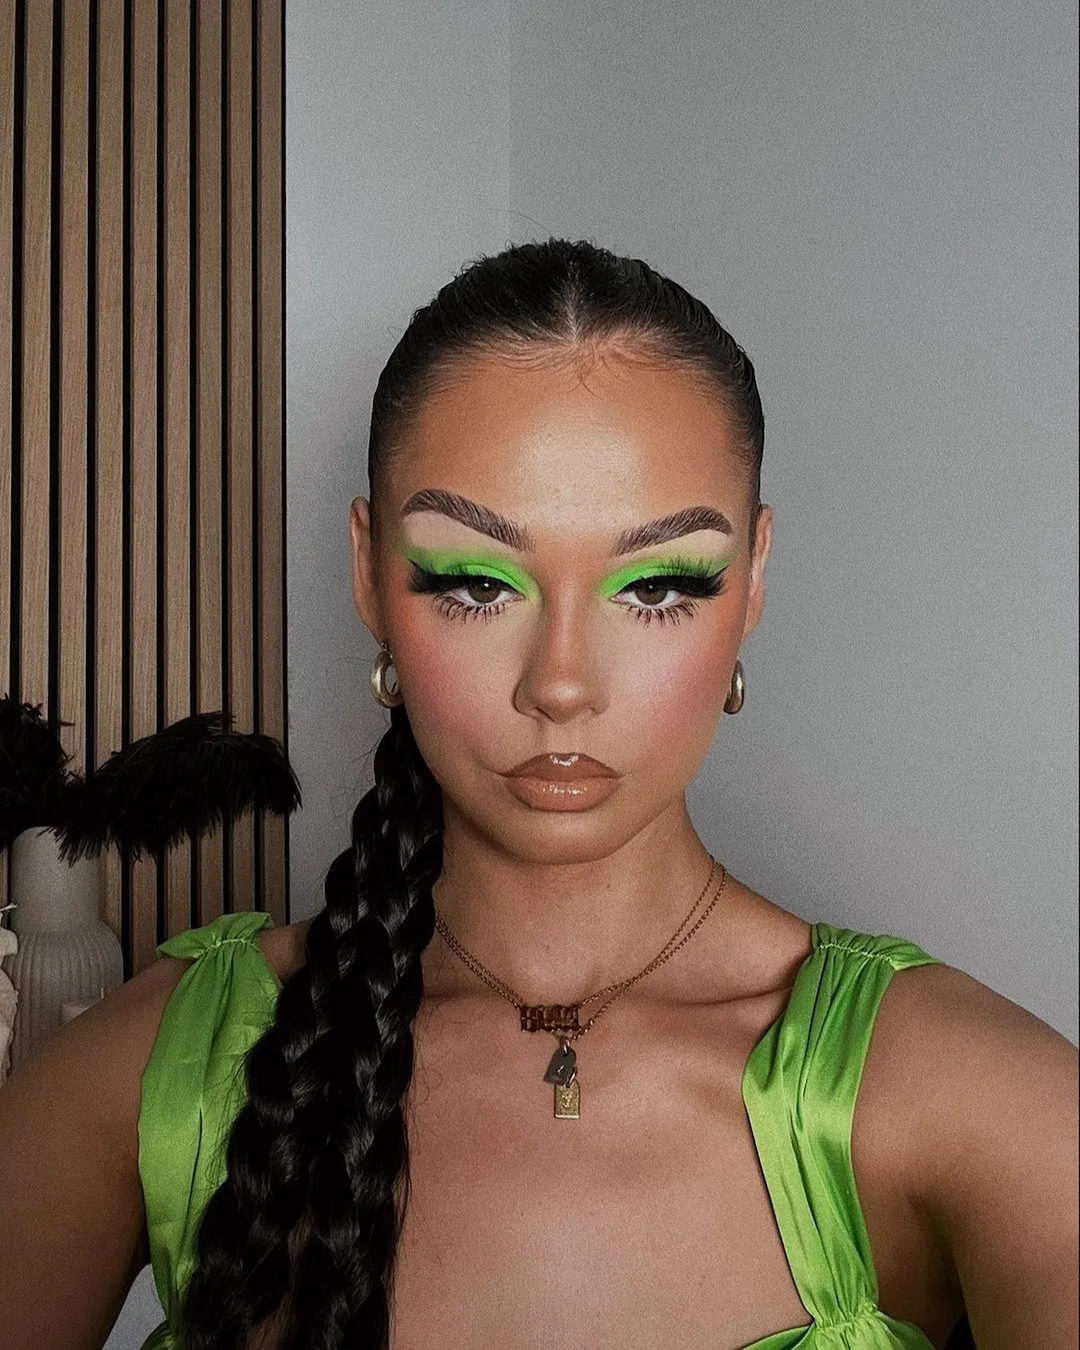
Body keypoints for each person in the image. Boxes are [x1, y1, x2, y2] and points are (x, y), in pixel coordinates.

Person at [1, 239, 1076, 1350]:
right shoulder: (154, 1074)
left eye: (657, 587)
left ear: (752, 580)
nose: (560, 683)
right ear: (369, 571)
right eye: (476, 583)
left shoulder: (967, 1098)